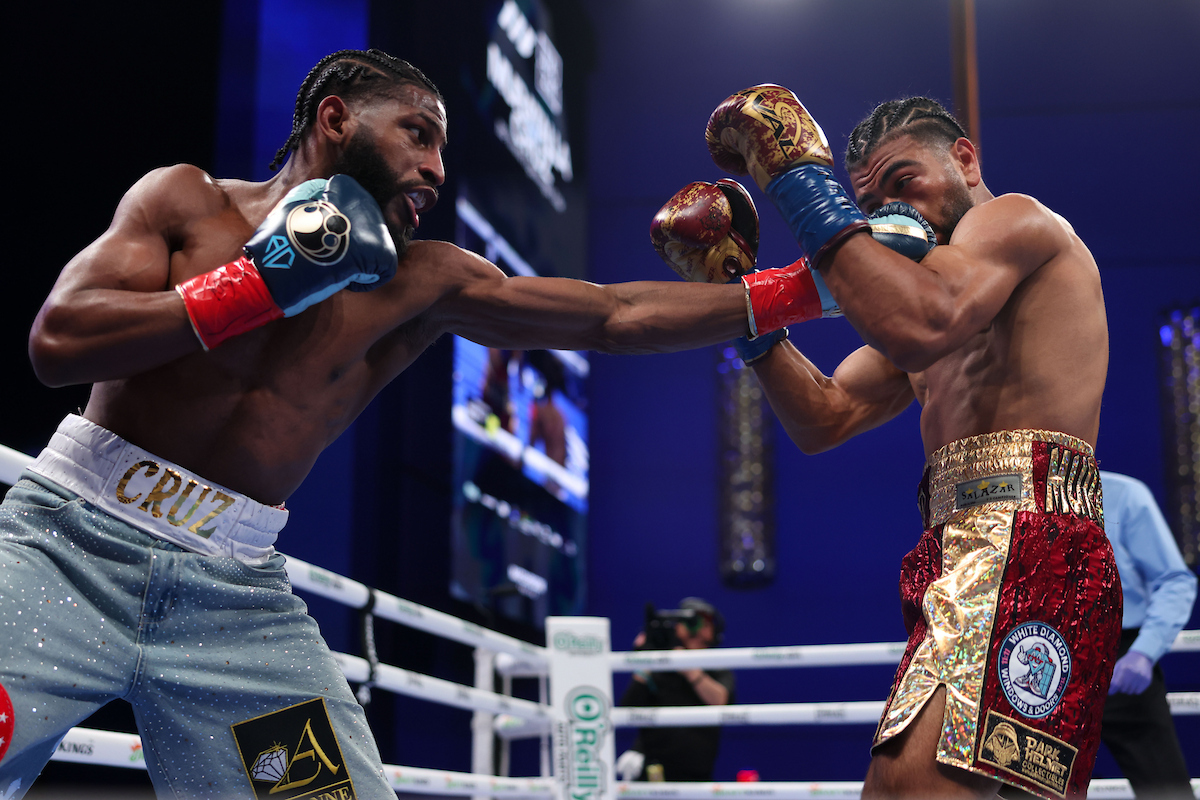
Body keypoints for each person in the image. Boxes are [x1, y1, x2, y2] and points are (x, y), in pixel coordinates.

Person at [0, 50, 827, 799]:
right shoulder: (186, 201)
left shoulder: (421, 280)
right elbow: (59, 342)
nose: (434, 167)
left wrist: (814, 285)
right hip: (63, 546)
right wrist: (259, 284)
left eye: (440, 148)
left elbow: (609, 315)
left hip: (229, 596)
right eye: (417, 134)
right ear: (335, 119)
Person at [669, 85, 1122, 798]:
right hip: (962, 547)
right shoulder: (933, 303)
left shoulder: (1014, 221)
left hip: (1025, 536)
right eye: (875, 200)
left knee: (905, 787)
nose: (896, 211)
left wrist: (799, 181)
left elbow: (922, 320)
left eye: (903, 182)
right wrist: (744, 300)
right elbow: (824, 415)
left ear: (965, 159)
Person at [1098, 471, 1196, 798]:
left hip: (1121, 654)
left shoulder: (1123, 494)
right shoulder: (1014, 496)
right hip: (1039, 658)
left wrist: (1144, 651)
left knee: (1168, 793)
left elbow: (1174, 581)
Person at [616, 598, 735, 782]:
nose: (696, 629)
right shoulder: (661, 665)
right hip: (654, 774)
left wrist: (689, 668)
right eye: (690, 622)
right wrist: (645, 661)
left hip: (696, 775)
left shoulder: (716, 665)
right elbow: (629, 708)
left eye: (703, 623)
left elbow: (720, 700)